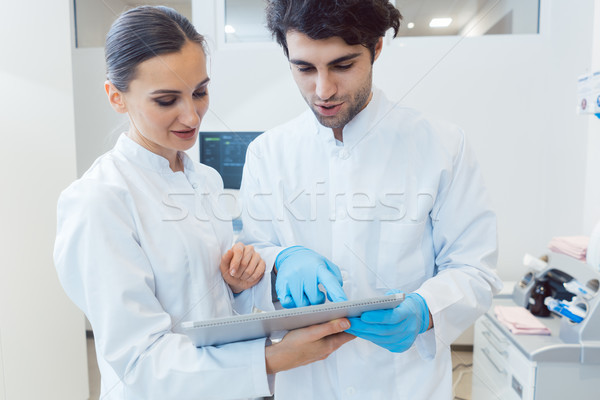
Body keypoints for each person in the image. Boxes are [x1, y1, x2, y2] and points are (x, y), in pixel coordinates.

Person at [53, 6, 353, 400]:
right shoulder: (98, 200)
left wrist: (241, 283)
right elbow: (142, 362)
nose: (192, 115)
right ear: (116, 97)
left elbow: (212, 308)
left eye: (200, 92)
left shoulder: (204, 180)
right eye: (166, 100)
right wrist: (271, 359)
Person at [237, 0, 503, 398]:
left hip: (406, 384)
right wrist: (281, 262)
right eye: (304, 68)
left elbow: (474, 269)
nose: (322, 90)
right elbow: (252, 257)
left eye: (343, 65)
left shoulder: (442, 145)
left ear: (376, 48)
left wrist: (425, 310)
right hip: (307, 384)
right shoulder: (267, 153)